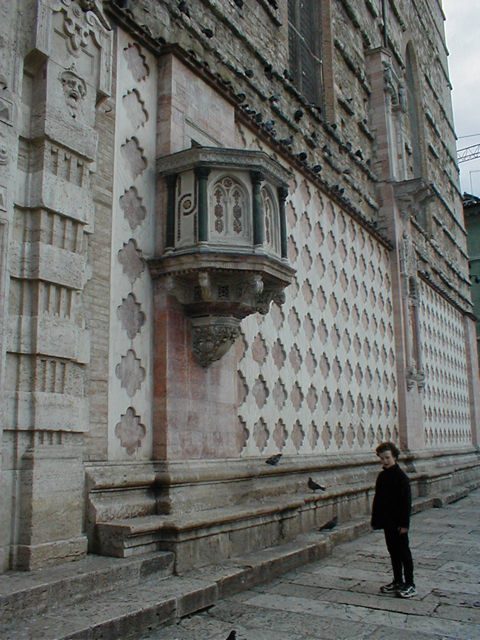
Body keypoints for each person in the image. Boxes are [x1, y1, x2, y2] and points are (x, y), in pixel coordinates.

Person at [371, 441, 416, 598]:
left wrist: (404, 524)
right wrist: (376, 520)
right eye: (382, 458)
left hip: (399, 523)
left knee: (404, 552)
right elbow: (378, 500)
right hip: (387, 522)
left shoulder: (401, 478)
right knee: (393, 552)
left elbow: (406, 503)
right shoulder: (382, 476)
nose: (384, 461)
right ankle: (397, 580)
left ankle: (410, 583)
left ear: (395, 457)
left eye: (387, 458)